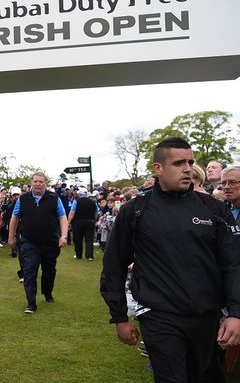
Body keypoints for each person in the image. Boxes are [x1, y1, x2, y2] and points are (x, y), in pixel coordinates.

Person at [100, 137, 240, 382]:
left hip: (205, 316)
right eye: (178, 163)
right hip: (159, 317)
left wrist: (236, 313)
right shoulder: (136, 211)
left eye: (190, 162)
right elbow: (114, 266)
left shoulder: (214, 209)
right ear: (158, 168)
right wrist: (119, 317)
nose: (187, 168)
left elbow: (232, 265)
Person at [8, 172, 68, 313]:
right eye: (35, 181)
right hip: (29, 242)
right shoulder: (22, 199)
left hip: (50, 242)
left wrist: (63, 236)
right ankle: (31, 303)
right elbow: (14, 218)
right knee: (29, 271)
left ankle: (47, 293)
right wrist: (11, 237)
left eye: (41, 181)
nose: (38, 184)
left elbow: (62, 217)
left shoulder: (54, 198)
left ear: (45, 183)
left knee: (49, 271)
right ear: (31, 182)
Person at [67, 188, 99, 261]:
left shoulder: (76, 201)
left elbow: (72, 212)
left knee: (78, 239)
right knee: (89, 239)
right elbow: (96, 212)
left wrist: (68, 222)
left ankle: (78, 255)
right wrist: (94, 219)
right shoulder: (93, 202)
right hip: (90, 221)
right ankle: (89, 256)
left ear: (79, 194)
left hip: (78, 222)